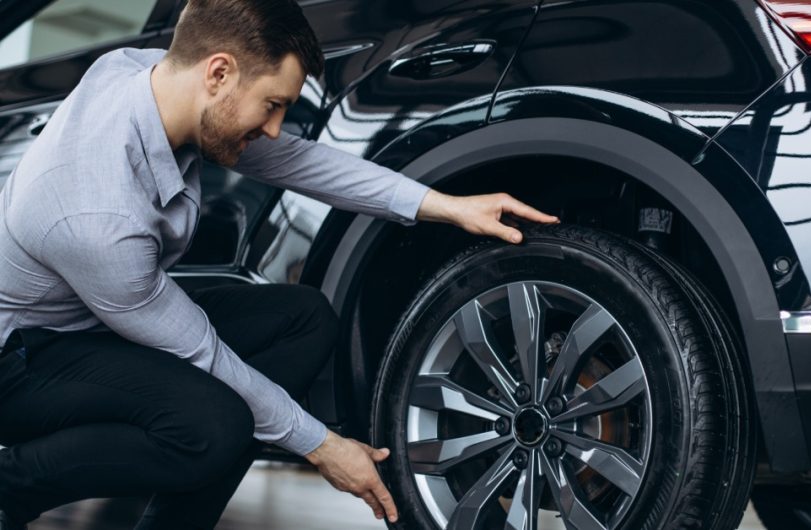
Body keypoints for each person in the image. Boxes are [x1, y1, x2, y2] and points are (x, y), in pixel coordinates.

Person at [0, 1, 559, 529]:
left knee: (303, 318)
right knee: (211, 426)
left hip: (94, 319)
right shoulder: (94, 217)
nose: (274, 127)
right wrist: (323, 446)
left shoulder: (151, 76)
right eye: (274, 105)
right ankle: (11, 489)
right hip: (21, 361)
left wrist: (448, 207)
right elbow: (201, 351)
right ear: (218, 73)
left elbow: (295, 159)